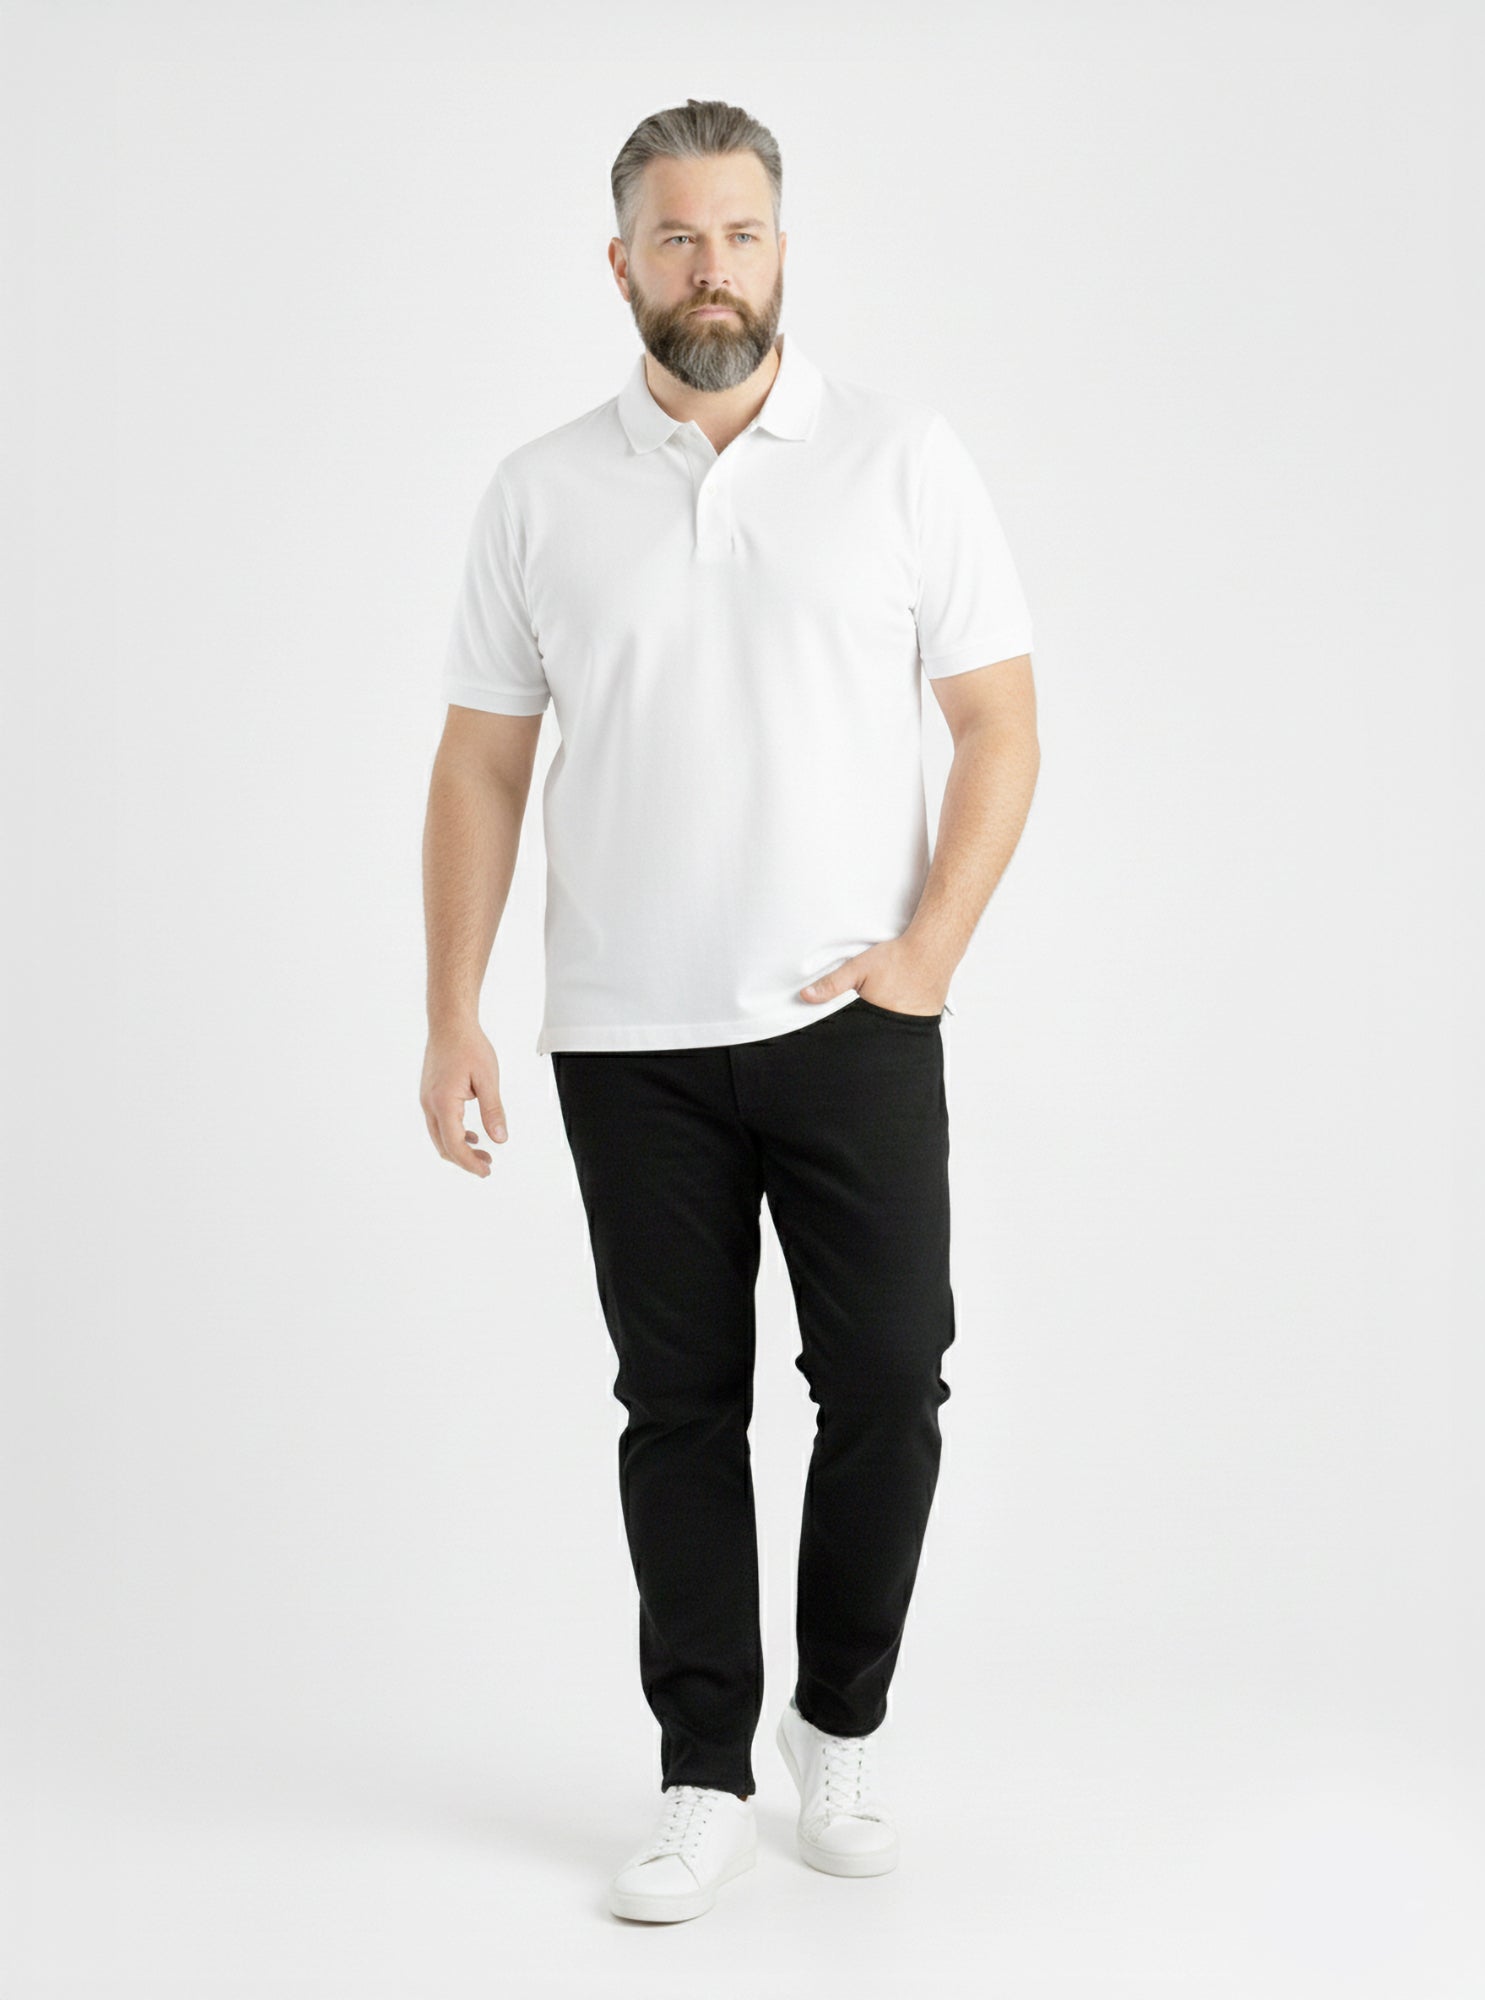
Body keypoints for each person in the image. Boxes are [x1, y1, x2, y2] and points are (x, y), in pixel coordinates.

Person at [420, 97, 1040, 1925]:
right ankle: (703, 1770)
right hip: (628, 1040)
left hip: (854, 1020)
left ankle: (835, 1726)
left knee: (889, 1385)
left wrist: (927, 955)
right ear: (621, 263)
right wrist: (452, 1010)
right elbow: (479, 769)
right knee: (677, 1408)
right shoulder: (539, 492)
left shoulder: (901, 459)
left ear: (784, 249)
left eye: (743, 233)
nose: (715, 269)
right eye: (679, 238)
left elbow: (1000, 725)